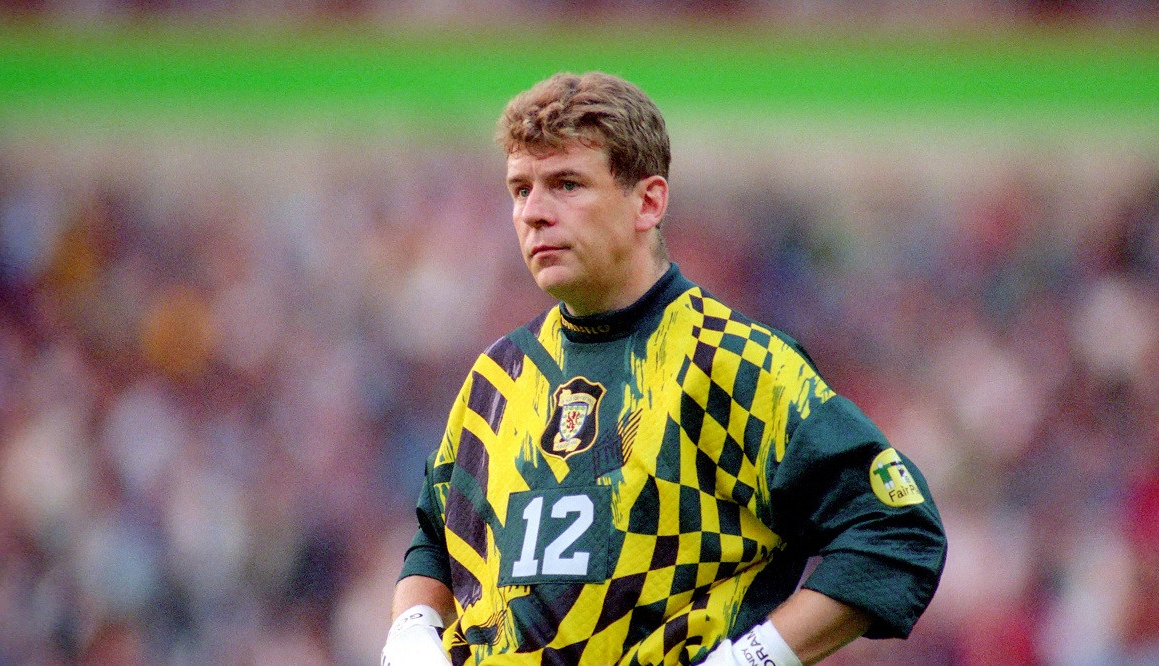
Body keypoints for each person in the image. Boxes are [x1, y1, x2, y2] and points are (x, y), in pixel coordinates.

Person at [382, 72, 946, 666]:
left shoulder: (733, 363)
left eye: (567, 184)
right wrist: (412, 628)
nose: (535, 213)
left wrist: (753, 657)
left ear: (648, 202)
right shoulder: (499, 375)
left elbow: (896, 533)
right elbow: (437, 537)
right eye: (521, 190)